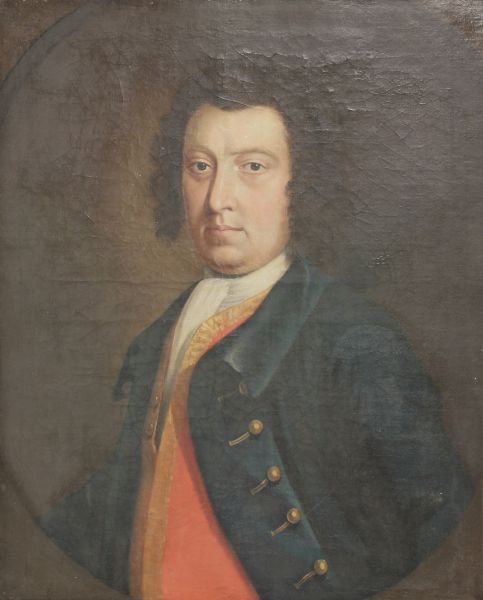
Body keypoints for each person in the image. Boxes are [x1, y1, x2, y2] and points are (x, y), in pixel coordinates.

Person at [39, 56, 474, 600]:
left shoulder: (358, 340)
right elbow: (128, 490)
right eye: (200, 166)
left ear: (301, 184)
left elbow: (444, 527)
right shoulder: (165, 332)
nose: (218, 199)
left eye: (252, 167)